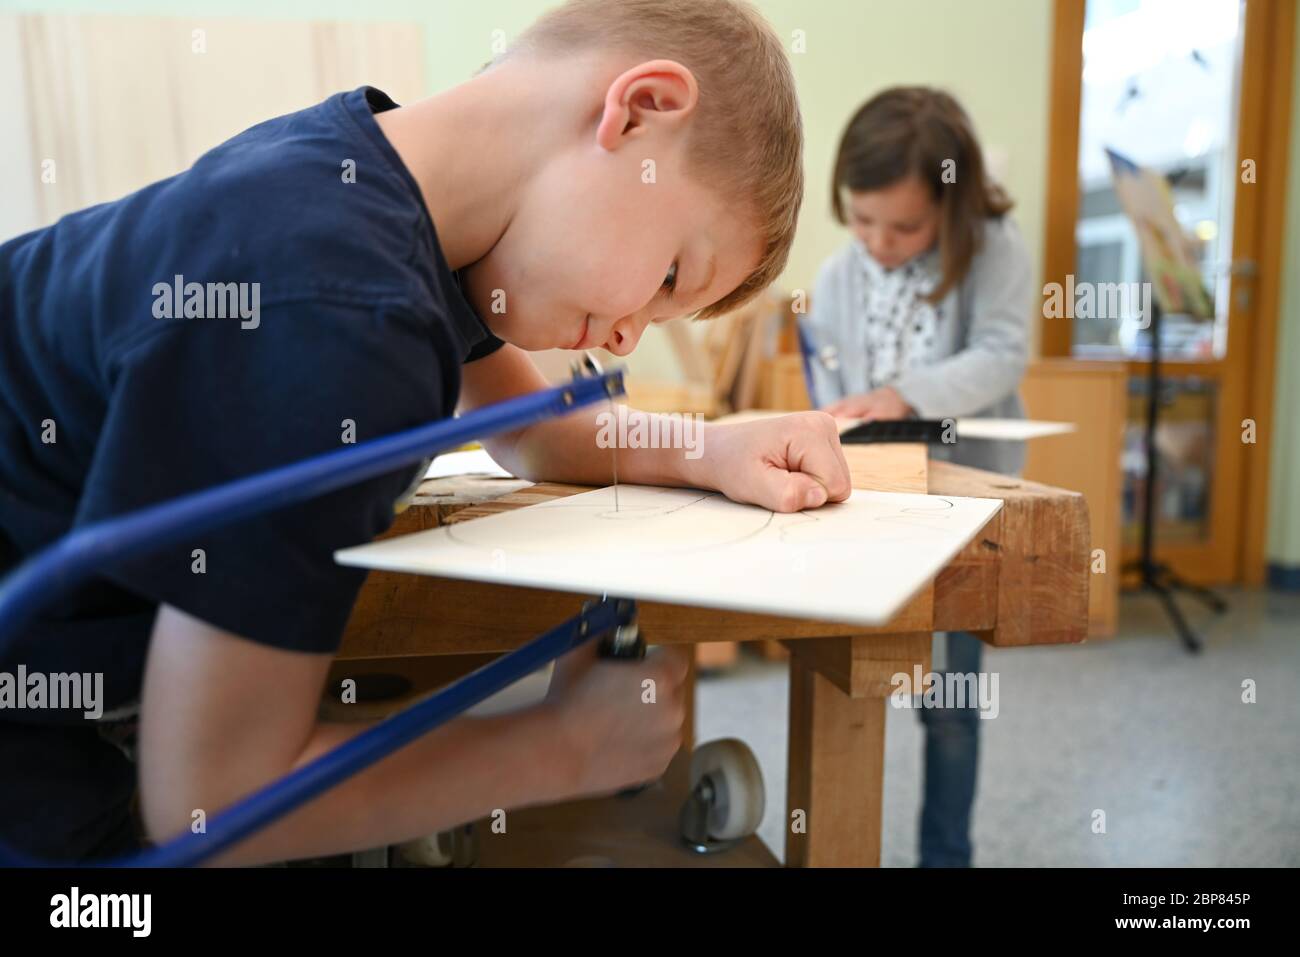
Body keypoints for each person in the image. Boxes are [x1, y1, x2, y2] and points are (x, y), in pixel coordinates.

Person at [0, 0, 852, 865]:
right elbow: (214, 803)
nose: (634, 333)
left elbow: (536, 436)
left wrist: (712, 447)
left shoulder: (373, 179)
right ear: (640, 110)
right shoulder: (339, 313)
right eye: (671, 274)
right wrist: (558, 749)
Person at [803, 87, 1033, 867]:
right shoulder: (839, 273)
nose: (879, 241)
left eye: (904, 226)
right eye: (862, 220)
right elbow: (829, 372)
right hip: (871, 496)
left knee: (949, 705)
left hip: (963, 503)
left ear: (952, 205)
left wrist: (905, 396)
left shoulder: (992, 248)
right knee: (848, 682)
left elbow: (1003, 354)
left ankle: (946, 858)